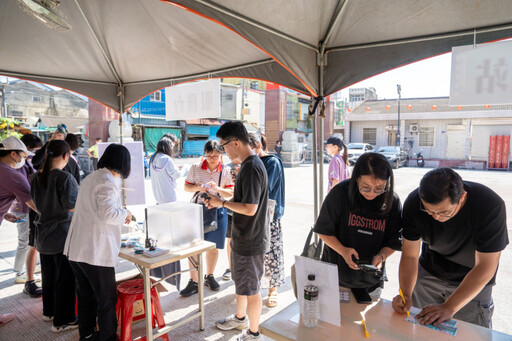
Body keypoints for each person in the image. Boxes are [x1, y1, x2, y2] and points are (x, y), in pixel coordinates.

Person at [392, 168, 508, 328]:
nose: (436, 217)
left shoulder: (489, 206)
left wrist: (449, 307)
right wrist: (405, 293)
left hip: (472, 280)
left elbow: (486, 266)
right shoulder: (414, 203)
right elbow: (410, 255)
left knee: (469, 334)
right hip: (429, 275)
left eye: (444, 212)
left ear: (462, 197)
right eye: (429, 211)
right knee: (421, 330)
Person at [205, 121, 269, 341]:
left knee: (251, 289)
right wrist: (221, 200)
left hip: (251, 239)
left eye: (223, 146)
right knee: (242, 284)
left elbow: (250, 209)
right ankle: (240, 319)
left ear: (235, 142)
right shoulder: (249, 165)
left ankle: (253, 333)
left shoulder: (251, 167)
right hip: (245, 237)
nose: (223, 151)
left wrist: (222, 204)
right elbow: (243, 200)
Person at [64, 144, 132, 341]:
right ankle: (108, 337)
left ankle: (86, 335)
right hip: (94, 252)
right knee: (106, 300)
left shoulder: (92, 177)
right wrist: (126, 213)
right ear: (123, 163)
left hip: (78, 248)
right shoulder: (107, 180)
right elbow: (109, 214)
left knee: (86, 296)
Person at [314, 152, 402, 297]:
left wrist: (381, 256)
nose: (372, 194)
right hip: (335, 277)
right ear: (356, 179)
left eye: (379, 188)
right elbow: (323, 230)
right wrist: (343, 251)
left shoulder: (392, 201)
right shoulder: (340, 193)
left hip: (371, 281)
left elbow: (393, 241)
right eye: (365, 187)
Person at [30, 140, 78, 332]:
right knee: (65, 279)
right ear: (66, 156)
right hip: (62, 235)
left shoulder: (36, 176)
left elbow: (34, 202)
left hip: (43, 234)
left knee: (49, 276)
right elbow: (73, 206)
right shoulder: (64, 178)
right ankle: (63, 320)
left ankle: (48, 312)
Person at [180, 140, 234, 296]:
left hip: (218, 211)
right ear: (204, 155)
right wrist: (199, 187)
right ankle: (193, 281)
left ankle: (209, 276)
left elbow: (230, 193)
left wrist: (217, 189)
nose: (212, 159)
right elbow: (186, 186)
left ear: (221, 155)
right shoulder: (196, 168)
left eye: (216, 156)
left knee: (214, 247)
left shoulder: (225, 170)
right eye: (209, 155)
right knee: (193, 247)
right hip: (197, 211)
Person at [0, 136, 38, 323]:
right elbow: (36, 206)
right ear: (13, 154)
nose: (26, 159)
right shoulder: (15, 177)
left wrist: (4, 213)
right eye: (24, 155)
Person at [248, 133, 285, 308]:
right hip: (253, 215)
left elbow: (265, 189)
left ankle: (273, 289)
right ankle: (254, 287)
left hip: (269, 217)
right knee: (255, 254)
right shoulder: (250, 163)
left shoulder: (272, 162)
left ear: (256, 146)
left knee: (272, 253)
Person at [13, 134, 43, 296]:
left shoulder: (26, 163)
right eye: (35, 150)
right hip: (23, 208)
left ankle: (25, 269)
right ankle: (19, 272)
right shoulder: (21, 165)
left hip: (25, 207)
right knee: (25, 241)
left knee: (29, 241)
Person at [150, 133, 182, 204]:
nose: (172, 149)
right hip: (170, 198)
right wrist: (184, 169)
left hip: (158, 198)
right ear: (169, 146)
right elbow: (176, 175)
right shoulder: (167, 159)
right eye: (172, 146)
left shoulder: (153, 159)